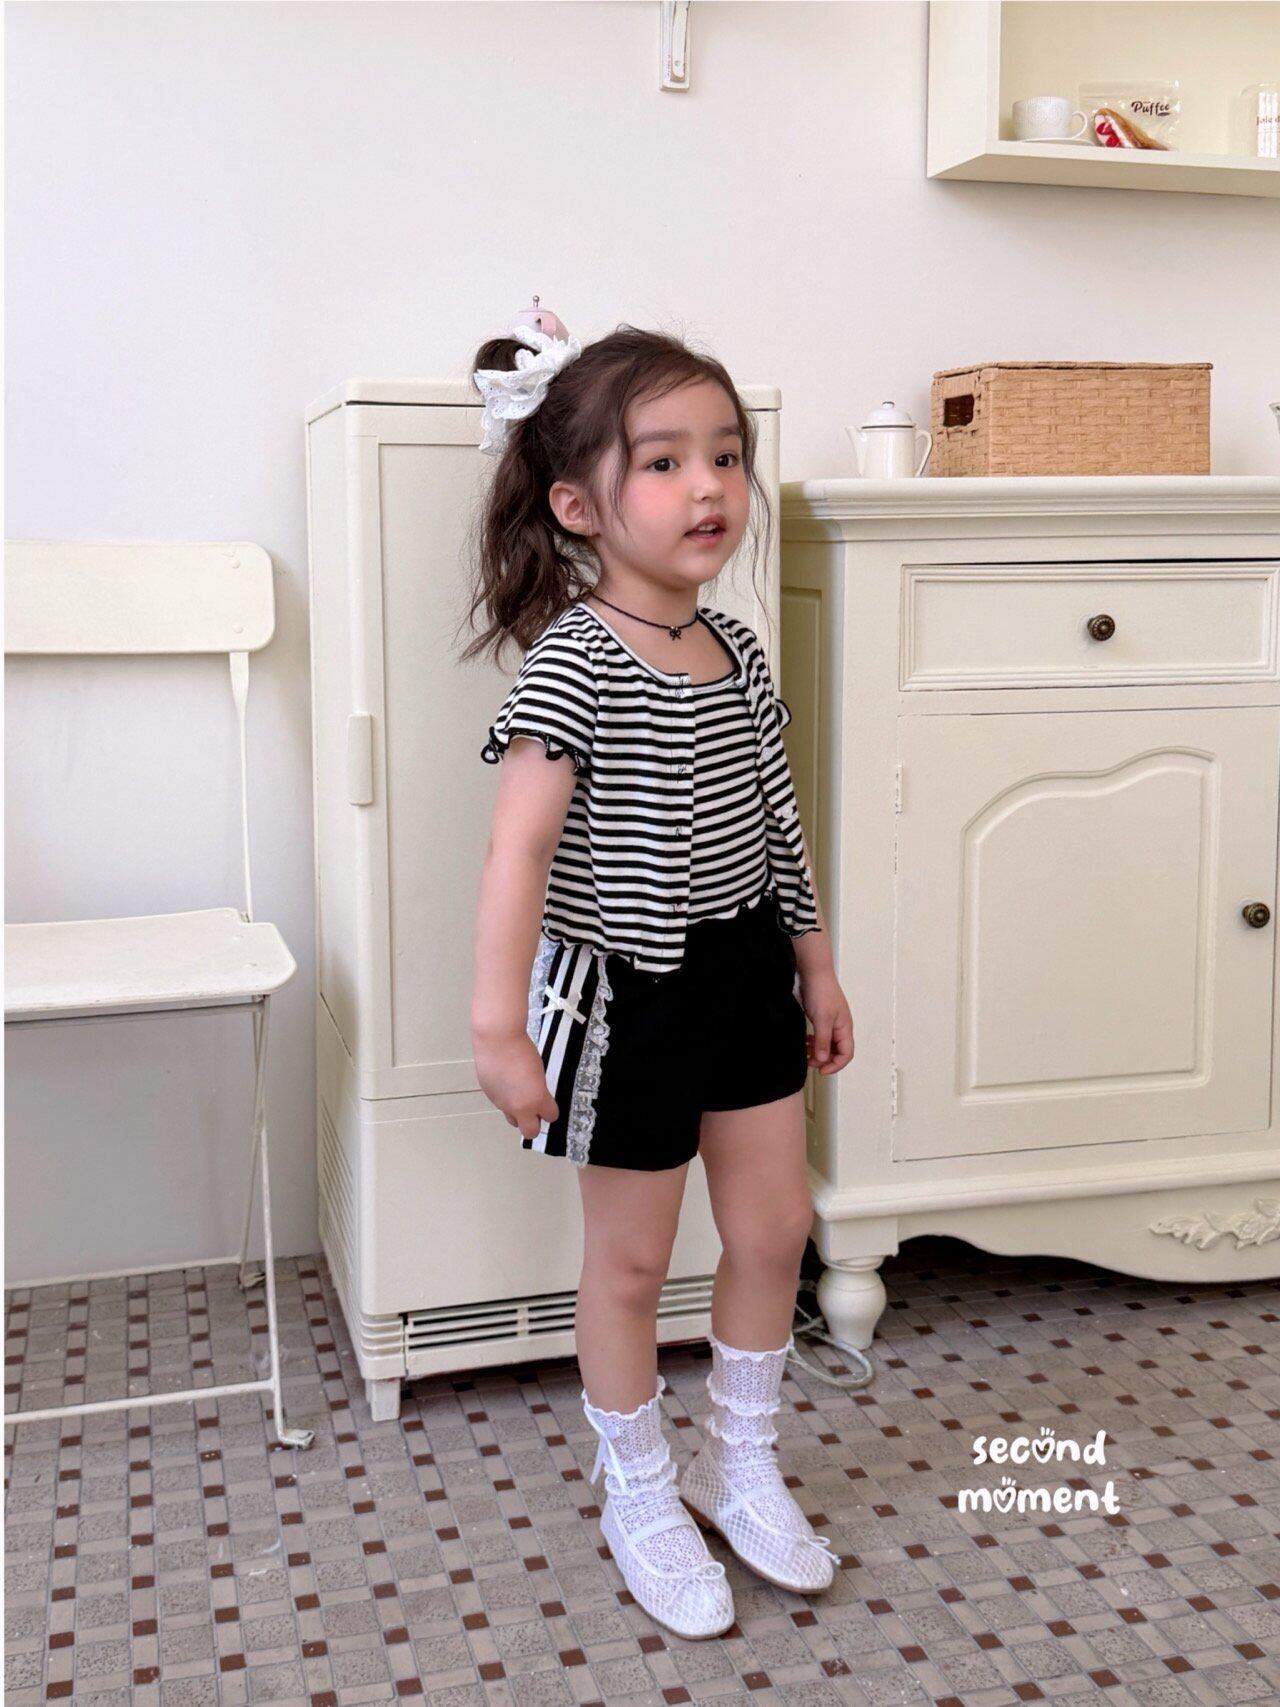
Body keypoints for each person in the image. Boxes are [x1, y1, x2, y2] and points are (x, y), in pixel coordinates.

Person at [462, 313, 855, 1641]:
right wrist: (497, 1026)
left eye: (727, 457)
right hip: (626, 996)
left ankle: (740, 1464)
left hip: (744, 974)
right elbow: (519, 851)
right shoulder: (575, 660)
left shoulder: (736, 648)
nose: (709, 488)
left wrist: (814, 964)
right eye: (666, 462)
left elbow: (778, 820)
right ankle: (638, 1486)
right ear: (578, 505)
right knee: (630, 1262)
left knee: (774, 1230)